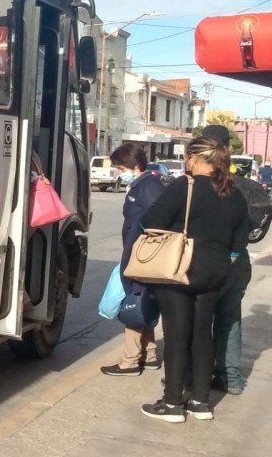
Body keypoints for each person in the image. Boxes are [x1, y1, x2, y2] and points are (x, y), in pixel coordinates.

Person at [139, 137, 249, 423]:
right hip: (216, 272)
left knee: (177, 334)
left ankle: (173, 403)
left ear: (196, 159)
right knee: (203, 333)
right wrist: (228, 259)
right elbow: (241, 237)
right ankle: (201, 402)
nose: (186, 162)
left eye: (188, 157)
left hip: (180, 270)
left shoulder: (183, 186)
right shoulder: (233, 191)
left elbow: (151, 221)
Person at [201, 124, 272, 395]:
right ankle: (230, 378)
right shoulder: (245, 186)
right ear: (229, 149)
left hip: (205, 260)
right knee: (229, 317)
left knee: (198, 318)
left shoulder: (198, 184)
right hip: (238, 259)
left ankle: (195, 376)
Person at [100, 143, 165, 377]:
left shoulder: (149, 186)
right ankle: (149, 355)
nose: (119, 173)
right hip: (137, 254)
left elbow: (161, 218)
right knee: (143, 300)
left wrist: (143, 245)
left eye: (120, 168)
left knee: (134, 304)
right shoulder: (142, 184)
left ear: (134, 166)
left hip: (142, 257)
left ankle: (129, 361)